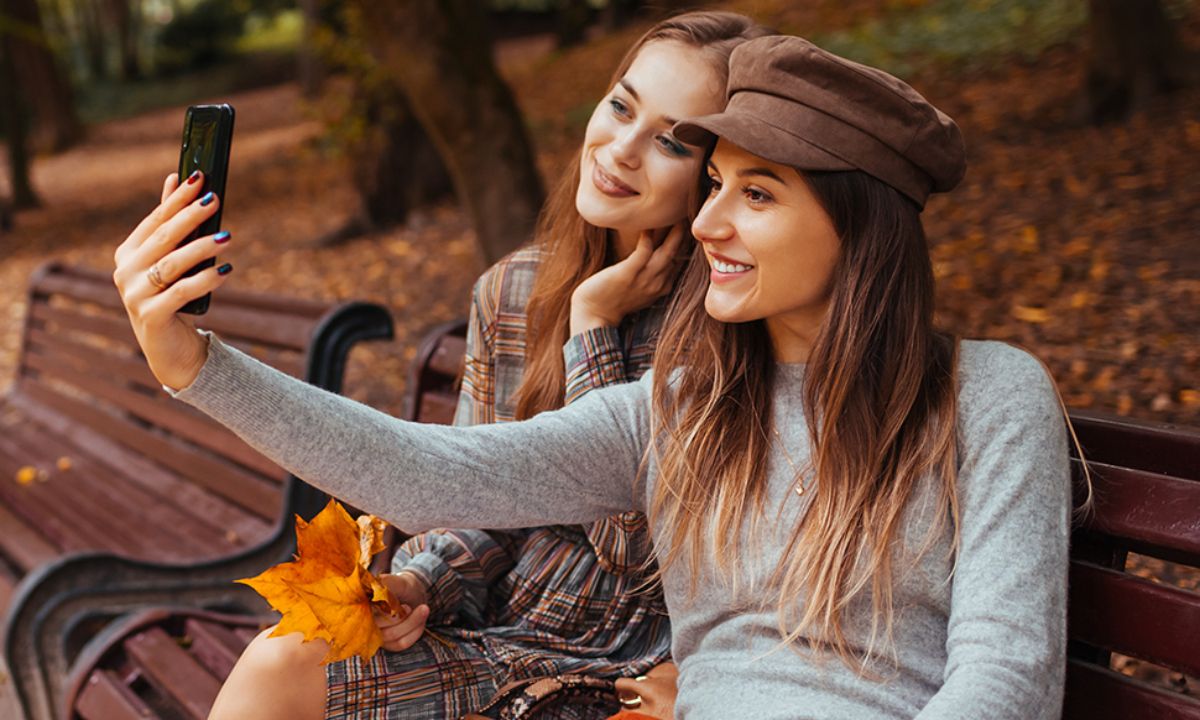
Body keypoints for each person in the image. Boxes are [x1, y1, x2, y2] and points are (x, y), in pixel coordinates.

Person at [114, 34, 1074, 720]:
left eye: (756, 195)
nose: (705, 225)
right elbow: (437, 474)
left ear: (857, 228)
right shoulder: (688, 406)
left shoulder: (991, 397)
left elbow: (1007, 681)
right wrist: (195, 365)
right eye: (715, 189)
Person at [117, 11, 769, 720]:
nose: (622, 149)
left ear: (714, 176)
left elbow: (638, 557)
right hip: (493, 631)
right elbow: (470, 498)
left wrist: (592, 333)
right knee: (281, 660)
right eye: (621, 106)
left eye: (672, 141)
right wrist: (423, 584)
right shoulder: (513, 289)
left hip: (623, 665)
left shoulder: (726, 333)